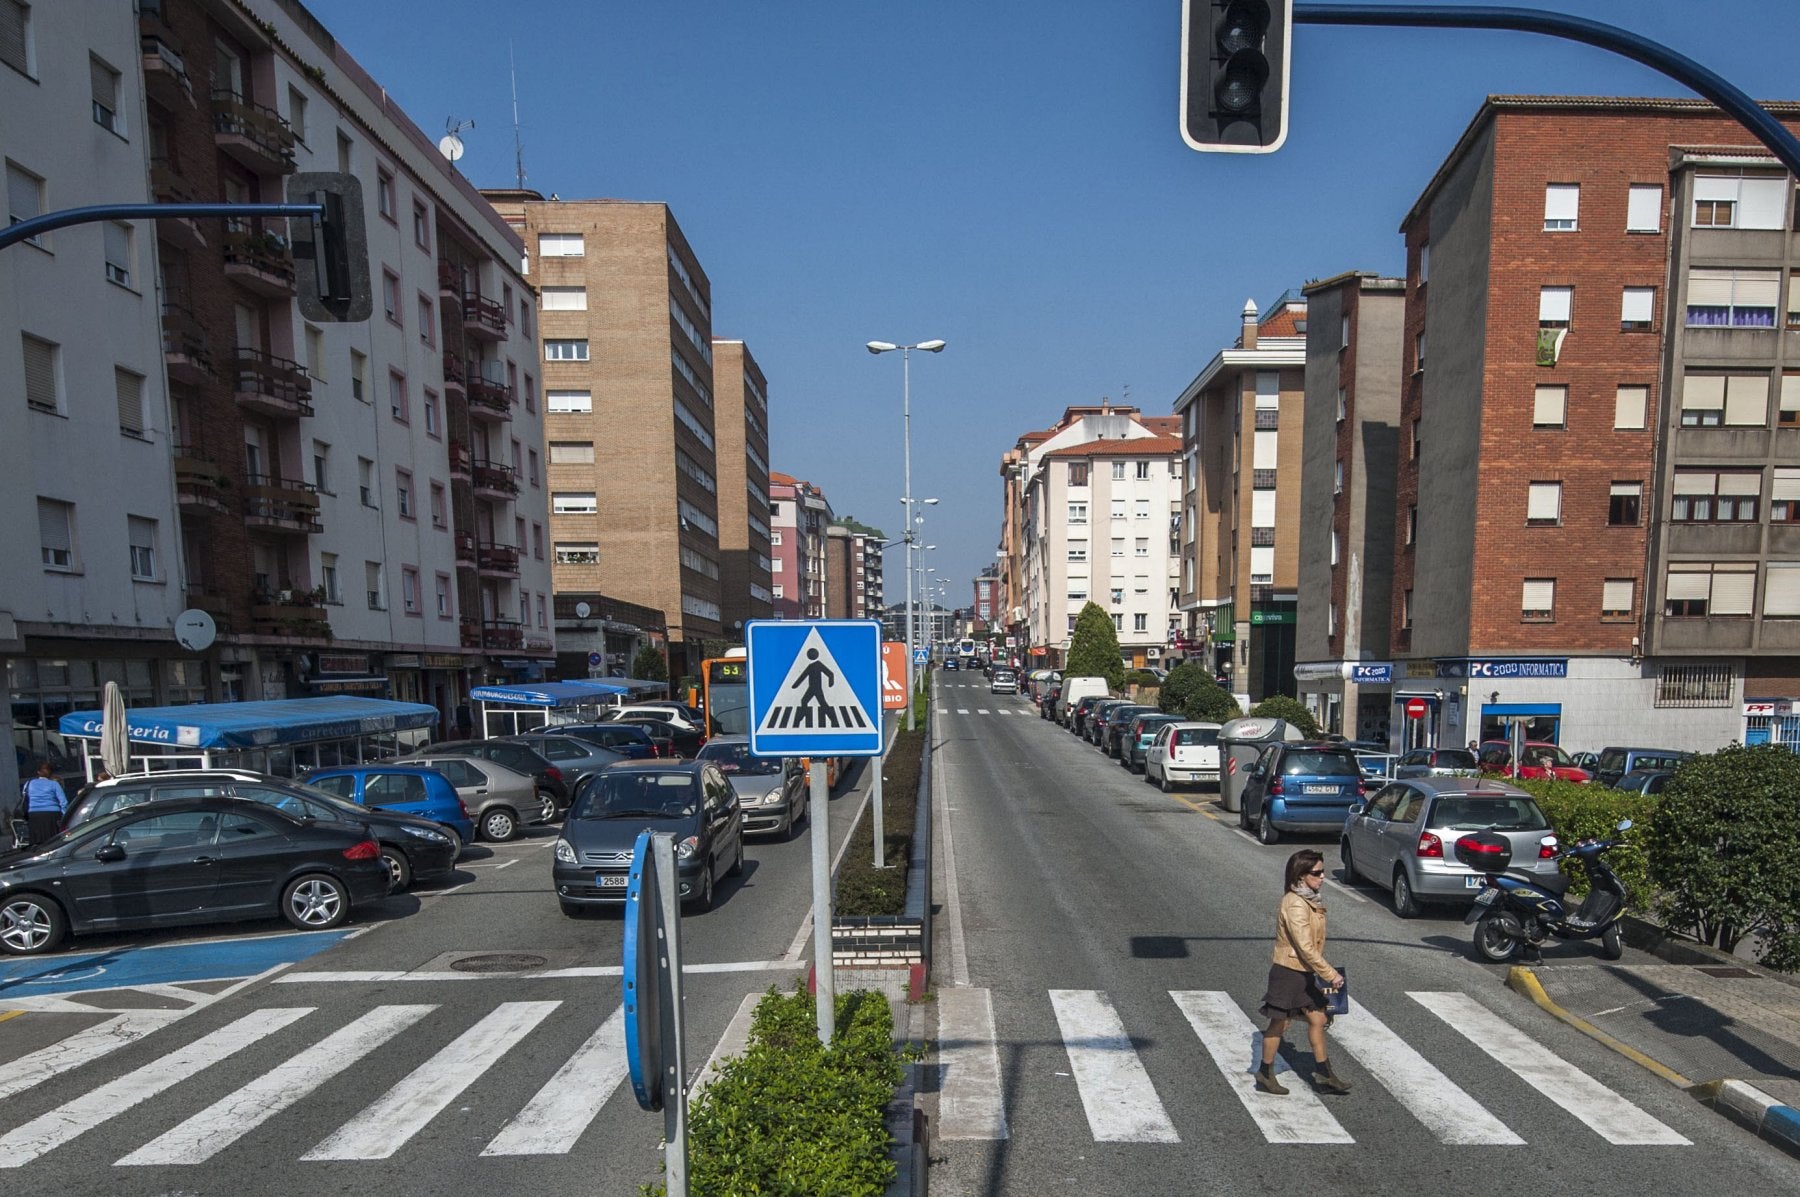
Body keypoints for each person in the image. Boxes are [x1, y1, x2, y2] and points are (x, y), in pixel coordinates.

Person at [1256, 848, 1351, 1096]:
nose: (1323, 877)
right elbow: (1304, 946)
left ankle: (1324, 1073)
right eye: (1317, 873)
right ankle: (1265, 1073)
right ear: (1301, 875)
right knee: (1279, 1024)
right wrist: (1330, 973)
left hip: (1303, 971)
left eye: (1323, 872)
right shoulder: (1295, 904)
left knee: (1318, 1018)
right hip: (1288, 972)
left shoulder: (1308, 899)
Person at [20, 761, 69, 847]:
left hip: (34, 815)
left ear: (38, 772)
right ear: (51, 773)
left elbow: (24, 798)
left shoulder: (29, 784)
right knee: (52, 842)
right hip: (52, 815)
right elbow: (63, 802)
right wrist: (64, 815)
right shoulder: (54, 784)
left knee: (36, 841)